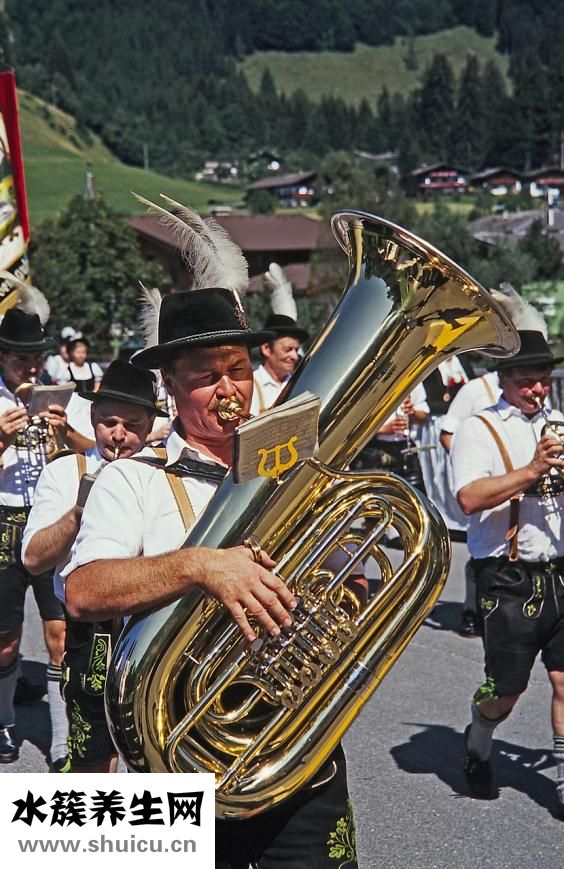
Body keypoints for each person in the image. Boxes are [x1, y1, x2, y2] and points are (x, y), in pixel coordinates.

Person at [62, 283, 358, 867]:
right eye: (205, 376)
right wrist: (200, 565)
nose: (229, 391)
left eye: (238, 370)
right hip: (178, 747)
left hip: (297, 739)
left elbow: (342, 584)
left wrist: (345, 586)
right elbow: (83, 590)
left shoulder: (296, 472)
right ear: (169, 387)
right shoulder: (135, 480)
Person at [21, 359, 167, 772]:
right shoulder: (66, 471)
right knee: (94, 760)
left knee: (155, 757)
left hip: (155, 628)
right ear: (93, 418)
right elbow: (32, 558)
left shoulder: (165, 473)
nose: (118, 435)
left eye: (132, 425)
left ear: (150, 424)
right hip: (94, 634)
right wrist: (80, 511)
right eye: (108, 422)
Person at [450, 330, 564, 813]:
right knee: (506, 692)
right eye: (526, 383)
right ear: (502, 380)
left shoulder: (561, 421)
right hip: (507, 577)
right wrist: (533, 469)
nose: (538, 391)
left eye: (543, 381)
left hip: (559, 570)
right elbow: (470, 498)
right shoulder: (479, 428)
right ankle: (478, 740)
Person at [0, 306, 70, 767]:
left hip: (47, 518)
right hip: (3, 521)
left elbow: (88, 450)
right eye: (21, 359)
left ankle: (63, 738)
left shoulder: (54, 393)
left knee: (60, 630)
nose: (31, 367)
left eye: (36, 358)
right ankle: (4, 722)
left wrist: (67, 436)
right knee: (5, 638)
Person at [250, 313, 309, 415]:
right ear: (266, 349)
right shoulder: (251, 386)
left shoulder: (300, 383)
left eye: (296, 350)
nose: (295, 356)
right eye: (288, 349)